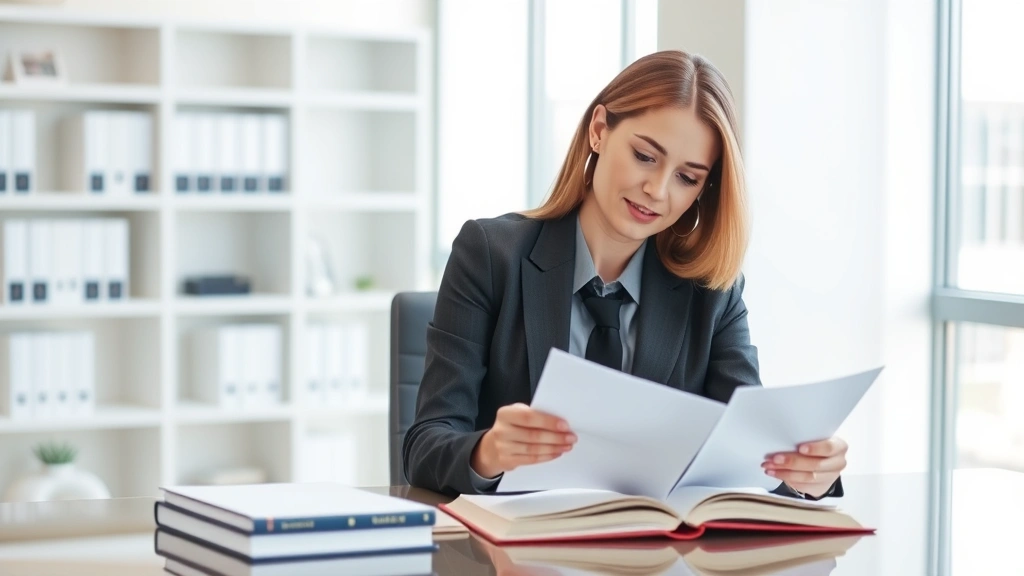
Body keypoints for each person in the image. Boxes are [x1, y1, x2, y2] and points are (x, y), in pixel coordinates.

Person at [403, 50, 846, 499]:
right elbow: (425, 445)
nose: (657, 191)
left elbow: (751, 457)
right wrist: (489, 451)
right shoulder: (490, 254)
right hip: (513, 557)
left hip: (656, 558)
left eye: (687, 178)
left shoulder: (712, 292)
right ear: (599, 131)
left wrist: (807, 474)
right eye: (644, 156)